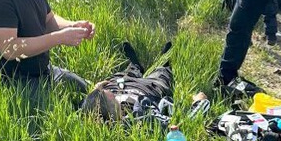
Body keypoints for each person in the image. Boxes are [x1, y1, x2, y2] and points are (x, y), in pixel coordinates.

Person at [81, 42, 209, 125]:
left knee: (127, 73)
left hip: (120, 84)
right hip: (149, 89)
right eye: (113, 98)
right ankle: (164, 62)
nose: (114, 97)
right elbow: (181, 125)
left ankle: (135, 65)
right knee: (162, 74)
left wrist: (96, 91)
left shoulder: (90, 111)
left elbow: (88, 107)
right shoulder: (142, 119)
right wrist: (200, 102)